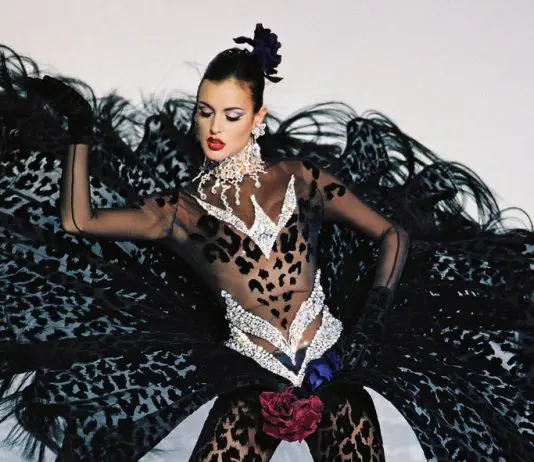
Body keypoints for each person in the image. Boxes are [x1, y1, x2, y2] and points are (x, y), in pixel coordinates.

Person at [0, 23, 532, 462]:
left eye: (231, 115)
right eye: (204, 111)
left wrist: (367, 328)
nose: (214, 127)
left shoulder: (302, 179)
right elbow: (79, 221)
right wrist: (80, 133)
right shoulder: (177, 210)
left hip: (334, 366)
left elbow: (393, 234)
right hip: (252, 378)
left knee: (354, 430)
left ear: (257, 119)